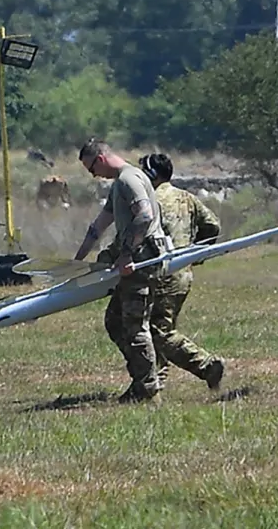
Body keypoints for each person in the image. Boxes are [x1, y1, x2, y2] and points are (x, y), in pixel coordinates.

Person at [73, 138, 169, 404]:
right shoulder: (119, 185)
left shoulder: (129, 180)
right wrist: (77, 261)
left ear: (101, 159)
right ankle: (143, 380)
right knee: (115, 322)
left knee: (135, 326)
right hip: (133, 260)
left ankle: (148, 390)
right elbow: (98, 226)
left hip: (140, 261)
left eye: (92, 169)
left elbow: (145, 216)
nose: (94, 176)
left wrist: (127, 254)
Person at [138, 152, 226, 392]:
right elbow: (213, 225)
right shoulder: (187, 197)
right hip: (183, 273)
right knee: (162, 327)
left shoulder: (149, 200)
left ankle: (207, 366)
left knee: (157, 331)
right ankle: (156, 380)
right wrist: (196, 252)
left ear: (150, 174)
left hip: (162, 273)